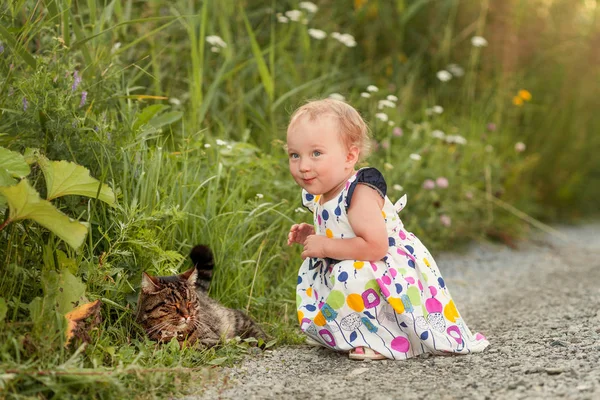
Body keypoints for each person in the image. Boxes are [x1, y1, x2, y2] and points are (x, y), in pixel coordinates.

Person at [286, 98, 490, 360]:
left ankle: (388, 338)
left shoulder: (359, 194)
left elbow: (375, 247)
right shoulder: (323, 193)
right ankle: (343, 332)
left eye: (316, 153)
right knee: (334, 275)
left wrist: (325, 246)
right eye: (295, 155)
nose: (303, 166)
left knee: (350, 273)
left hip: (385, 269)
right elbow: (339, 231)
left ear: (350, 156)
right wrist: (313, 236)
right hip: (354, 261)